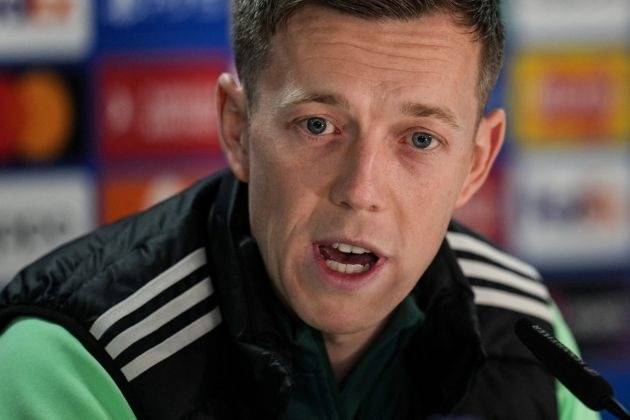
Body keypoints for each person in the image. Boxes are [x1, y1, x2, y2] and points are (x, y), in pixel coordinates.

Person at [0, 1, 600, 419]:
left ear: (475, 162)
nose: (361, 189)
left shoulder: (527, 331)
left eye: (420, 139)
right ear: (238, 129)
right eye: (318, 125)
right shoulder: (75, 362)